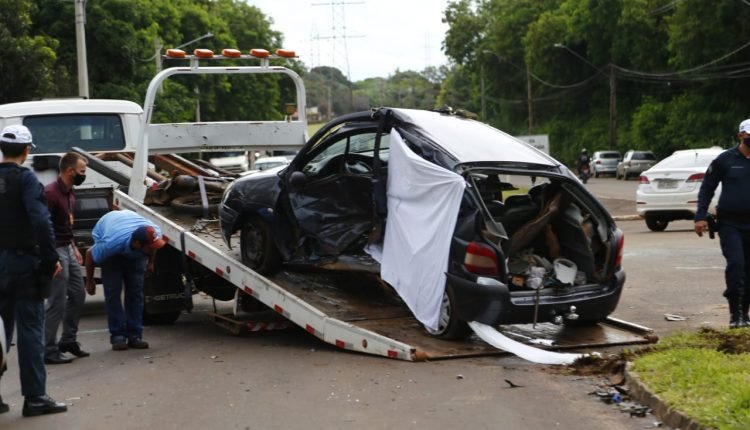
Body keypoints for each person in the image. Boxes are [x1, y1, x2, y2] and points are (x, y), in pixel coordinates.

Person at [0, 125, 67, 416]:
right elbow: (40, 221)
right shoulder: (26, 180)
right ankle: (35, 398)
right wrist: (50, 259)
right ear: (28, 150)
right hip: (23, 263)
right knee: (30, 329)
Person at [695, 119, 750, 328]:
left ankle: (744, 314)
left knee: (749, 271)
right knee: (736, 266)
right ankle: (734, 314)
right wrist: (700, 216)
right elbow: (707, 187)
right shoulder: (725, 160)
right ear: (741, 136)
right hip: (730, 224)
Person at [84, 210, 166, 350]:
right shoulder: (111, 244)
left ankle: (135, 335)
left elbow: (153, 247)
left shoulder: (154, 232)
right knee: (113, 294)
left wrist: (151, 262)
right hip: (111, 243)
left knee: (136, 293)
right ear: (137, 243)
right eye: (149, 247)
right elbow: (89, 254)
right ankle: (117, 336)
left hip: (133, 244)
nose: (152, 248)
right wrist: (90, 281)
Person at [43, 152, 89, 364]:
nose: (84, 174)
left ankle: (68, 340)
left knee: (78, 294)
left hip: (67, 248)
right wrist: (52, 257)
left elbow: (66, 225)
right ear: (70, 171)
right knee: (57, 301)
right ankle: (48, 349)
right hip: (55, 250)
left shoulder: (70, 193)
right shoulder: (50, 193)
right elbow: (43, 227)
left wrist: (74, 247)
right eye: (82, 171)